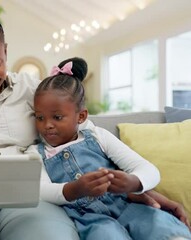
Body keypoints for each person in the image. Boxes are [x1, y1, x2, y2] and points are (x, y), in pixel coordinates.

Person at [0, 12, 190, 240]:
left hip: (36, 196)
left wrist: (137, 186)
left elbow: (84, 135)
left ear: (6, 52)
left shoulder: (35, 89)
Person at [30, 57, 191, 240]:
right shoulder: (36, 153)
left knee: (161, 228)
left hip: (128, 205)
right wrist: (75, 189)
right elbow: (41, 190)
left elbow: (149, 170)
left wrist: (133, 182)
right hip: (91, 219)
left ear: (81, 116)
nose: (47, 125)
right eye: (40, 117)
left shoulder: (99, 136)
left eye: (57, 117)